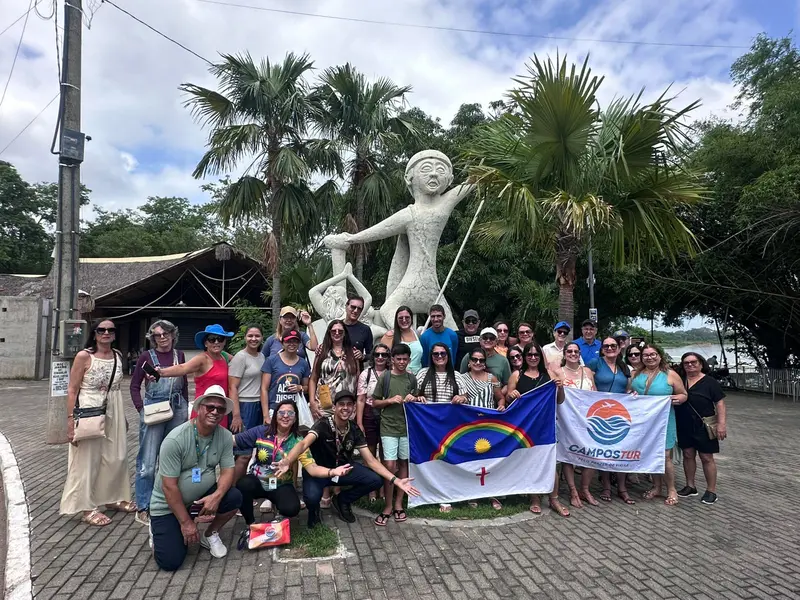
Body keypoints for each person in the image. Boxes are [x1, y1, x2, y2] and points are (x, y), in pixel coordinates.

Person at [324, 150, 474, 330]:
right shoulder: (409, 214)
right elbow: (378, 231)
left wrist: (349, 239)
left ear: (449, 179)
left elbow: (472, 181)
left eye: (441, 170)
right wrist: (350, 239)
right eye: (426, 169)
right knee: (392, 311)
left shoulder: (444, 203)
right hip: (417, 286)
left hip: (427, 286)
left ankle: (410, 339)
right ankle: (412, 340)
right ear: (410, 177)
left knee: (390, 310)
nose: (434, 174)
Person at [275, 390, 420, 527]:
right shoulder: (322, 424)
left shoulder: (354, 429)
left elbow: (371, 460)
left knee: (375, 480)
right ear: (334, 407)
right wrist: (288, 460)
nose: (345, 408)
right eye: (341, 404)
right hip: (318, 472)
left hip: (343, 470)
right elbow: (303, 443)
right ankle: (314, 512)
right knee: (312, 498)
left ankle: (343, 500)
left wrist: (396, 480)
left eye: (349, 404)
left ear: (354, 408)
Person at [149, 385, 240, 570]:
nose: (215, 412)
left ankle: (210, 533)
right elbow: (169, 487)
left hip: (197, 500)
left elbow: (227, 471)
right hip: (168, 505)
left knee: (234, 496)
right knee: (171, 562)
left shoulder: (224, 436)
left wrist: (216, 496)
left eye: (220, 409)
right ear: (199, 408)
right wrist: (186, 523)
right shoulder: (175, 439)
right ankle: (158, 528)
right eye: (210, 407)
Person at [233, 400, 352, 535]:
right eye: (282, 412)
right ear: (275, 415)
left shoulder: (298, 441)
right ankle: (250, 523)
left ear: (295, 418)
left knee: (292, 508)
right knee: (243, 484)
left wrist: (333, 471)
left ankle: (279, 518)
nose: (285, 416)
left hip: (281, 484)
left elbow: (312, 468)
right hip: (258, 481)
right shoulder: (261, 431)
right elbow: (234, 440)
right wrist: (216, 434)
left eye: (290, 413)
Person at [60, 319, 134, 526]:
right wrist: (70, 420)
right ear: (94, 333)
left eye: (110, 330)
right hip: (89, 410)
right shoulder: (84, 356)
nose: (106, 333)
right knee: (88, 460)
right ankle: (86, 507)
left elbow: (116, 388)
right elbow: (72, 389)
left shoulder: (117, 355)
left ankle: (112, 497)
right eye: (101, 330)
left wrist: (122, 416)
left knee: (116, 456)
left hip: (114, 409)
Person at [130, 319, 188, 526]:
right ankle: (143, 506)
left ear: (173, 334)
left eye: (166, 334)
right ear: (153, 338)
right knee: (148, 461)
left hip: (178, 407)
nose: (162, 338)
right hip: (154, 407)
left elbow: (184, 383)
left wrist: (186, 406)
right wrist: (141, 409)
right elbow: (134, 385)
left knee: (174, 456)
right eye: (157, 335)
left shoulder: (179, 355)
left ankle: (169, 501)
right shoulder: (147, 356)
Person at [504, 341, 567, 517]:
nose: (533, 357)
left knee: (550, 462)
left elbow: (560, 400)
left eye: (536, 354)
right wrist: (511, 395)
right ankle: (535, 498)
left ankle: (554, 498)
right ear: (524, 357)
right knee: (531, 462)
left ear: (541, 356)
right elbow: (508, 400)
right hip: (525, 428)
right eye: (529, 354)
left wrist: (560, 387)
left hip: (546, 425)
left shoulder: (550, 375)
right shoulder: (517, 375)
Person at [629, 344, 688, 506]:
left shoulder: (670, 374)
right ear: (642, 358)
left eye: (653, 354)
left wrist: (677, 399)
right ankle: (656, 486)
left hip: (664, 421)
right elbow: (629, 393)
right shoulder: (635, 374)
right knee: (650, 454)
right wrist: (631, 395)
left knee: (665, 456)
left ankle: (671, 489)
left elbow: (683, 394)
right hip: (643, 422)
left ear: (660, 356)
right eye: (646, 355)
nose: (650, 357)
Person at [372, 344, 423, 525]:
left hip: (406, 428)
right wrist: (389, 400)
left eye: (405, 359)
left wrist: (413, 398)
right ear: (392, 359)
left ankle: (399, 503)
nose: (401, 362)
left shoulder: (411, 378)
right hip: (388, 427)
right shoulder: (385, 377)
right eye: (398, 359)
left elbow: (417, 399)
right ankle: (387, 505)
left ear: (409, 360)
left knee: (403, 463)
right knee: (389, 465)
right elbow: (374, 402)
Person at [416, 343, 467, 513]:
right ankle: (431, 493)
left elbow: (465, 397)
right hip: (427, 427)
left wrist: (461, 398)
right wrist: (418, 397)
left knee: (448, 461)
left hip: (450, 428)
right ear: (431, 357)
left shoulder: (457, 376)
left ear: (448, 355)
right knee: (432, 461)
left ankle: (449, 494)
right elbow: (414, 395)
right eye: (436, 354)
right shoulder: (422, 374)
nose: (439, 357)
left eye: (443, 353)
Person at [157, 324, 234, 428]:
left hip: (220, 409)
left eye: (220, 339)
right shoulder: (202, 359)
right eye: (212, 339)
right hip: (205, 410)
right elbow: (182, 368)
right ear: (206, 343)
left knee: (219, 437)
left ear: (224, 342)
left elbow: (242, 362)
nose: (216, 342)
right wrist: (160, 372)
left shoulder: (224, 356)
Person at [587, 337, 634, 504]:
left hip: (620, 413)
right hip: (600, 412)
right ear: (602, 349)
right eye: (606, 346)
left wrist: (632, 394)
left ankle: (622, 488)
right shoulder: (595, 363)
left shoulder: (624, 366)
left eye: (613, 345)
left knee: (621, 450)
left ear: (619, 348)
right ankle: (606, 486)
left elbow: (628, 388)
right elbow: (589, 383)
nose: (609, 348)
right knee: (604, 448)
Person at [676, 352, 727, 505]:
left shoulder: (710, 382)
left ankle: (711, 490)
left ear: (700, 363)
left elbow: (720, 403)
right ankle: (690, 486)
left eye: (693, 362)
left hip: (704, 424)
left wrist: (721, 424)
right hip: (683, 423)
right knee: (688, 454)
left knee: (706, 457)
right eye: (686, 363)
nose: (690, 365)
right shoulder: (680, 380)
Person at [555, 342, 599, 508]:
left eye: (576, 351)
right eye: (569, 351)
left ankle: (585, 489)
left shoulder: (587, 371)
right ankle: (573, 491)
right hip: (566, 420)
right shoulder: (557, 372)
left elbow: (595, 392)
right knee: (568, 455)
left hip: (588, 419)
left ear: (579, 354)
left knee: (592, 454)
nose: (573, 354)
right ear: (565, 354)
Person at [227, 325, 266, 482]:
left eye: (257, 336)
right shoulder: (240, 357)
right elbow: (232, 387)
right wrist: (236, 415)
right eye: (250, 336)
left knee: (253, 452)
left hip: (258, 405)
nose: (253, 339)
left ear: (262, 338)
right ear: (245, 338)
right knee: (243, 454)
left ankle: (242, 488)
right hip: (244, 406)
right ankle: (231, 488)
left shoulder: (261, 356)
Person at [356, 343, 391, 502]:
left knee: (385, 453)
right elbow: (361, 399)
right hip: (369, 413)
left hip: (388, 413)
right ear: (373, 356)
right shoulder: (366, 373)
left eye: (384, 355)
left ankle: (383, 489)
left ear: (388, 357)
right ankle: (371, 489)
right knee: (369, 452)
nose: (380, 358)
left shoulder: (392, 373)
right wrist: (359, 422)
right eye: (377, 354)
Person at [309, 320, 359, 421]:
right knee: (323, 430)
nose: (337, 333)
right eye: (333, 331)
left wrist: (357, 403)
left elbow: (358, 380)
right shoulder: (322, 351)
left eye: (340, 331)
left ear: (345, 333)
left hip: (346, 406)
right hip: (324, 404)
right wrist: (312, 402)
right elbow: (313, 378)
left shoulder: (353, 353)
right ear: (329, 333)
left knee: (345, 430)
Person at [260, 329, 311, 420]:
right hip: (275, 408)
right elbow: (264, 389)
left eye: (295, 341)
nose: (292, 344)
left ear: (299, 344)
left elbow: (307, 387)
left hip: (295, 409)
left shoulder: (303, 363)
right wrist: (265, 415)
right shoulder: (271, 360)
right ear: (282, 343)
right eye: (288, 341)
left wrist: (300, 388)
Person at [380, 305, 422, 374]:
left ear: (411, 318)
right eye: (401, 318)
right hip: (399, 376)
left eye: (407, 317)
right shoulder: (390, 335)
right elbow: (383, 359)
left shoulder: (415, 333)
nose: (404, 320)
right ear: (396, 320)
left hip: (418, 376)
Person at [343, 295, 374, 367]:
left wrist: (362, 356)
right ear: (346, 306)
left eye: (359, 309)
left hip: (356, 370)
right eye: (353, 307)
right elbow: (326, 347)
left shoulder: (365, 329)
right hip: (335, 370)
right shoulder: (336, 326)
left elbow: (371, 355)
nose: (356, 311)